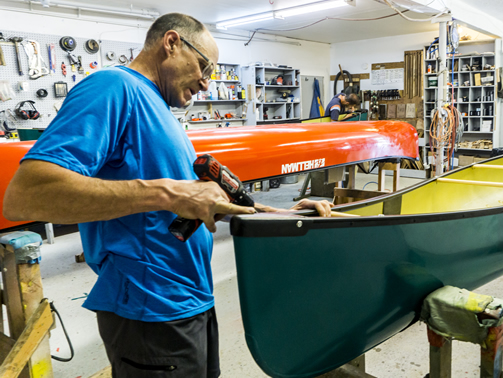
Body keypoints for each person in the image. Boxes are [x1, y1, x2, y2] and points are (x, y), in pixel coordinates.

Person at [3, 13, 332, 378]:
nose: (206, 84)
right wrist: (167, 191)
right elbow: (27, 195)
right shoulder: (113, 87)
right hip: (150, 307)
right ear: (171, 43)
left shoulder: (160, 109)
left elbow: (192, 204)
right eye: (203, 66)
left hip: (189, 298)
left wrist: (276, 214)